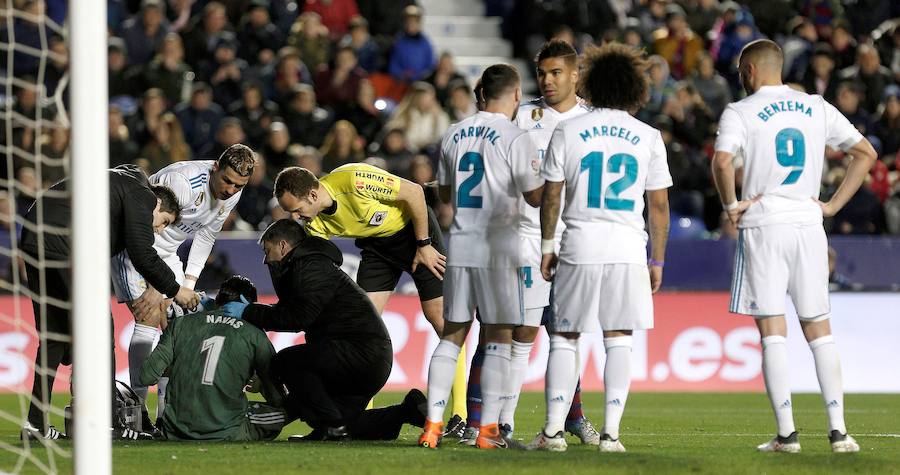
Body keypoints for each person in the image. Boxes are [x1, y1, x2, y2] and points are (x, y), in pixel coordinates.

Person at [711, 39, 876, 453]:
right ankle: (839, 432)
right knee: (819, 330)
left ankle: (787, 435)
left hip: (765, 224)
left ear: (749, 71)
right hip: (807, 223)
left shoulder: (740, 111)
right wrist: (832, 205)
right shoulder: (817, 106)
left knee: (772, 333)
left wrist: (731, 205)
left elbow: (721, 160)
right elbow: (865, 153)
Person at [458, 40, 600, 446]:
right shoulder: (520, 116)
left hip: (572, 242)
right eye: (542, 73)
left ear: (575, 74)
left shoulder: (594, 120)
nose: (548, 81)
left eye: (556, 73)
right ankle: (481, 421)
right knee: (500, 333)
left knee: (565, 336)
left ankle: (570, 417)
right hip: (517, 242)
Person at [533, 42, 671, 453]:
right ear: (635, 87)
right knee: (619, 338)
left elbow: (552, 196)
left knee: (565, 337)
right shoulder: (648, 136)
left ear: (590, 82)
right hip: (628, 247)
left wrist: (546, 245)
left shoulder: (569, 130)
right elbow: (659, 205)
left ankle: (554, 433)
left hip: (579, 243)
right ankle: (611, 435)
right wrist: (658, 259)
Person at [273, 160, 469, 429]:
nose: (296, 217)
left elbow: (414, 193)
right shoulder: (315, 223)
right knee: (362, 329)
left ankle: (461, 413)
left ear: (313, 195)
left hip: (414, 234)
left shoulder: (353, 181)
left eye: (296, 210)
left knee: (439, 319)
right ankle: (361, 413)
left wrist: (424, 244)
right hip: (377, 247)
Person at [20, 165, 199, 440]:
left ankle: (35, 425)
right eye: (164, 221)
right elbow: (142, 252)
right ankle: (106, 421)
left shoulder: (121, 189)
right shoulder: (144, 195)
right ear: (158, 203)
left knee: (55, 339)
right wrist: (177, 290)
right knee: (101, 331)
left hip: (34, 239)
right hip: (62, 243)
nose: (160, 229)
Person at [419, 63, 545, 450]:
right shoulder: (515, 135)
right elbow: (535, 196)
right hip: (498, 248)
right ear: (516, 95)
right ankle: (489, 431)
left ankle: (432, 425)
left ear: (480, 95)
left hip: (459, 245)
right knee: (499, 338)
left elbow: (444, 193)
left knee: (452, 336)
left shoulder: (454, 133)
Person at [222, 220, 426, 440]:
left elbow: (296, 317)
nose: (265, 259)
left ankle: (332, 426)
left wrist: (247, 312)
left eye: (267, 250)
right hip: (365, 357)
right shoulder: (308, 266)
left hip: (359, 355)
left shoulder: (311, 266)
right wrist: (254, 310)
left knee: (287, 361)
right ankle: (408, 411)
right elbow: (290, 310)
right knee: (345, 423)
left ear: (282, 246)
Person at [113, 144, 254, 426]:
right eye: (227, 180)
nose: (230, 189)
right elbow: (141, 222)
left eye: (238, 185)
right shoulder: (182, 182)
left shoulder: (231, 195)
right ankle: (137, 411)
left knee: (180, 323)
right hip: (134, 247)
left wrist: (188, 284)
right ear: (215, 167)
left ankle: (168, 413)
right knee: (150, 315)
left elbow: (206, 236)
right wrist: (157, 282)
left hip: (168, 254)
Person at [140, 275, 287, 441]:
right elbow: (277, 398)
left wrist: (183, 363)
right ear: (249, 304)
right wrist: (260, 385)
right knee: (291, 408)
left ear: (216, 300)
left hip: (176, 430)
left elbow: (146, 376)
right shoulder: (255, 335)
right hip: (226, 431)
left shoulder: (180, 324)